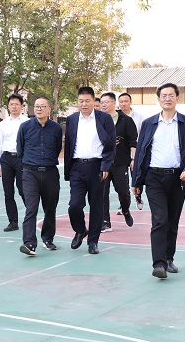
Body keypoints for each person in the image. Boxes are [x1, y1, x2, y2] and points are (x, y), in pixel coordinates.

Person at [131, 83, 185, 279]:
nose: (167, 98)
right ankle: (159, 264)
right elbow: (140, 153)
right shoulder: (149, 124)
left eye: (171, 95)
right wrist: (136, 181)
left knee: (172, 222)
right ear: (159, 99)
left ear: (177, 98)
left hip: (178, 178)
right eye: (164, 95)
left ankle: (169, 258)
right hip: (154, 177)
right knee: (160, 219)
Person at [64, 87, 116, 254]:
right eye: (81, 101)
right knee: (74, 205)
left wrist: (106, 166)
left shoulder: (104, 118)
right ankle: (80, 230)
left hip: (97, 167)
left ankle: (93, 241)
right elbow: (69, 145)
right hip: (77, 167)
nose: (84, 104)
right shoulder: (71, 119)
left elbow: (111, 145)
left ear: (94, 101)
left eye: (87, 101)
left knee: (96, 206)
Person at [17, 97, 62, 256]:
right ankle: (29, 243)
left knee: (50, 208)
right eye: (36, 106)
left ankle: (48, 238)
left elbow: (57, 148)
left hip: (50, 172)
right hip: (30, 173)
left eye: (43, 106)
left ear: (49, 109)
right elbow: (20, 150)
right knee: (31, 208)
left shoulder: (56, 128)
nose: (39, 109)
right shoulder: (25, 127)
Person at [100, 92, 137, 232]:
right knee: (102, 193)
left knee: (123, 191)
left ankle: (125, 210)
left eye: (106, 102)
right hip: (102, 163)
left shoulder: (126, 120)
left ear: (114, 103)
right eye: (102, 102)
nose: (103, 105)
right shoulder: (97, 120)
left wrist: (133, 159)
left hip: (120, 162)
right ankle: (105, 221)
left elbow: (133, 142)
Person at [0, 94, 29, 232]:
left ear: (22, 106)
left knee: (23, 190)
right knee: (8, 192)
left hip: (22, 159)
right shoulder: (3, 124)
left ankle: (30, 217)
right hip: (6, 159)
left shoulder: (27, 122)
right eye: (11, 104)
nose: (14, 107)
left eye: (16, 104)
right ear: (8, 106)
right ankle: (13, 221)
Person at [118, 92, 146, 210]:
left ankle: (138, 196)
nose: (123, 104)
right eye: (121, 102)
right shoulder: (115, 117)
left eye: (126, 101)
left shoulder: (139, 117)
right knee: (122, 182)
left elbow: (143, 134)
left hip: (136, 152)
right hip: (121, 154)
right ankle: (123, 204)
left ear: (130, 102)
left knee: (136, 176)